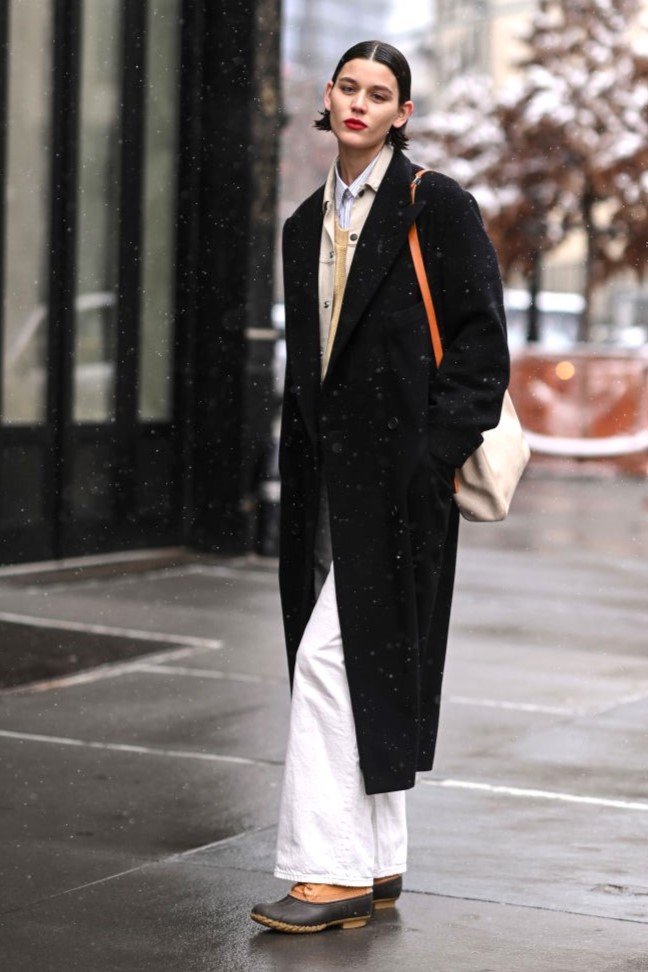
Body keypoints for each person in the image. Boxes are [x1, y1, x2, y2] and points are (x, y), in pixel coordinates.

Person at [250, 40, 510, 934]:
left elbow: (481, 349)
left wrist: (431, 461)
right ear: (327, 100)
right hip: (326, 483)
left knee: (333, 663)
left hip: (403, 484)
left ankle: (328, 876)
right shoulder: (299, 225)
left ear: (403, 113)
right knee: (362, 664)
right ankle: (378, 860)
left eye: (381, 93)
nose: (360, 103)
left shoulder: (434, 205)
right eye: (349, 88)